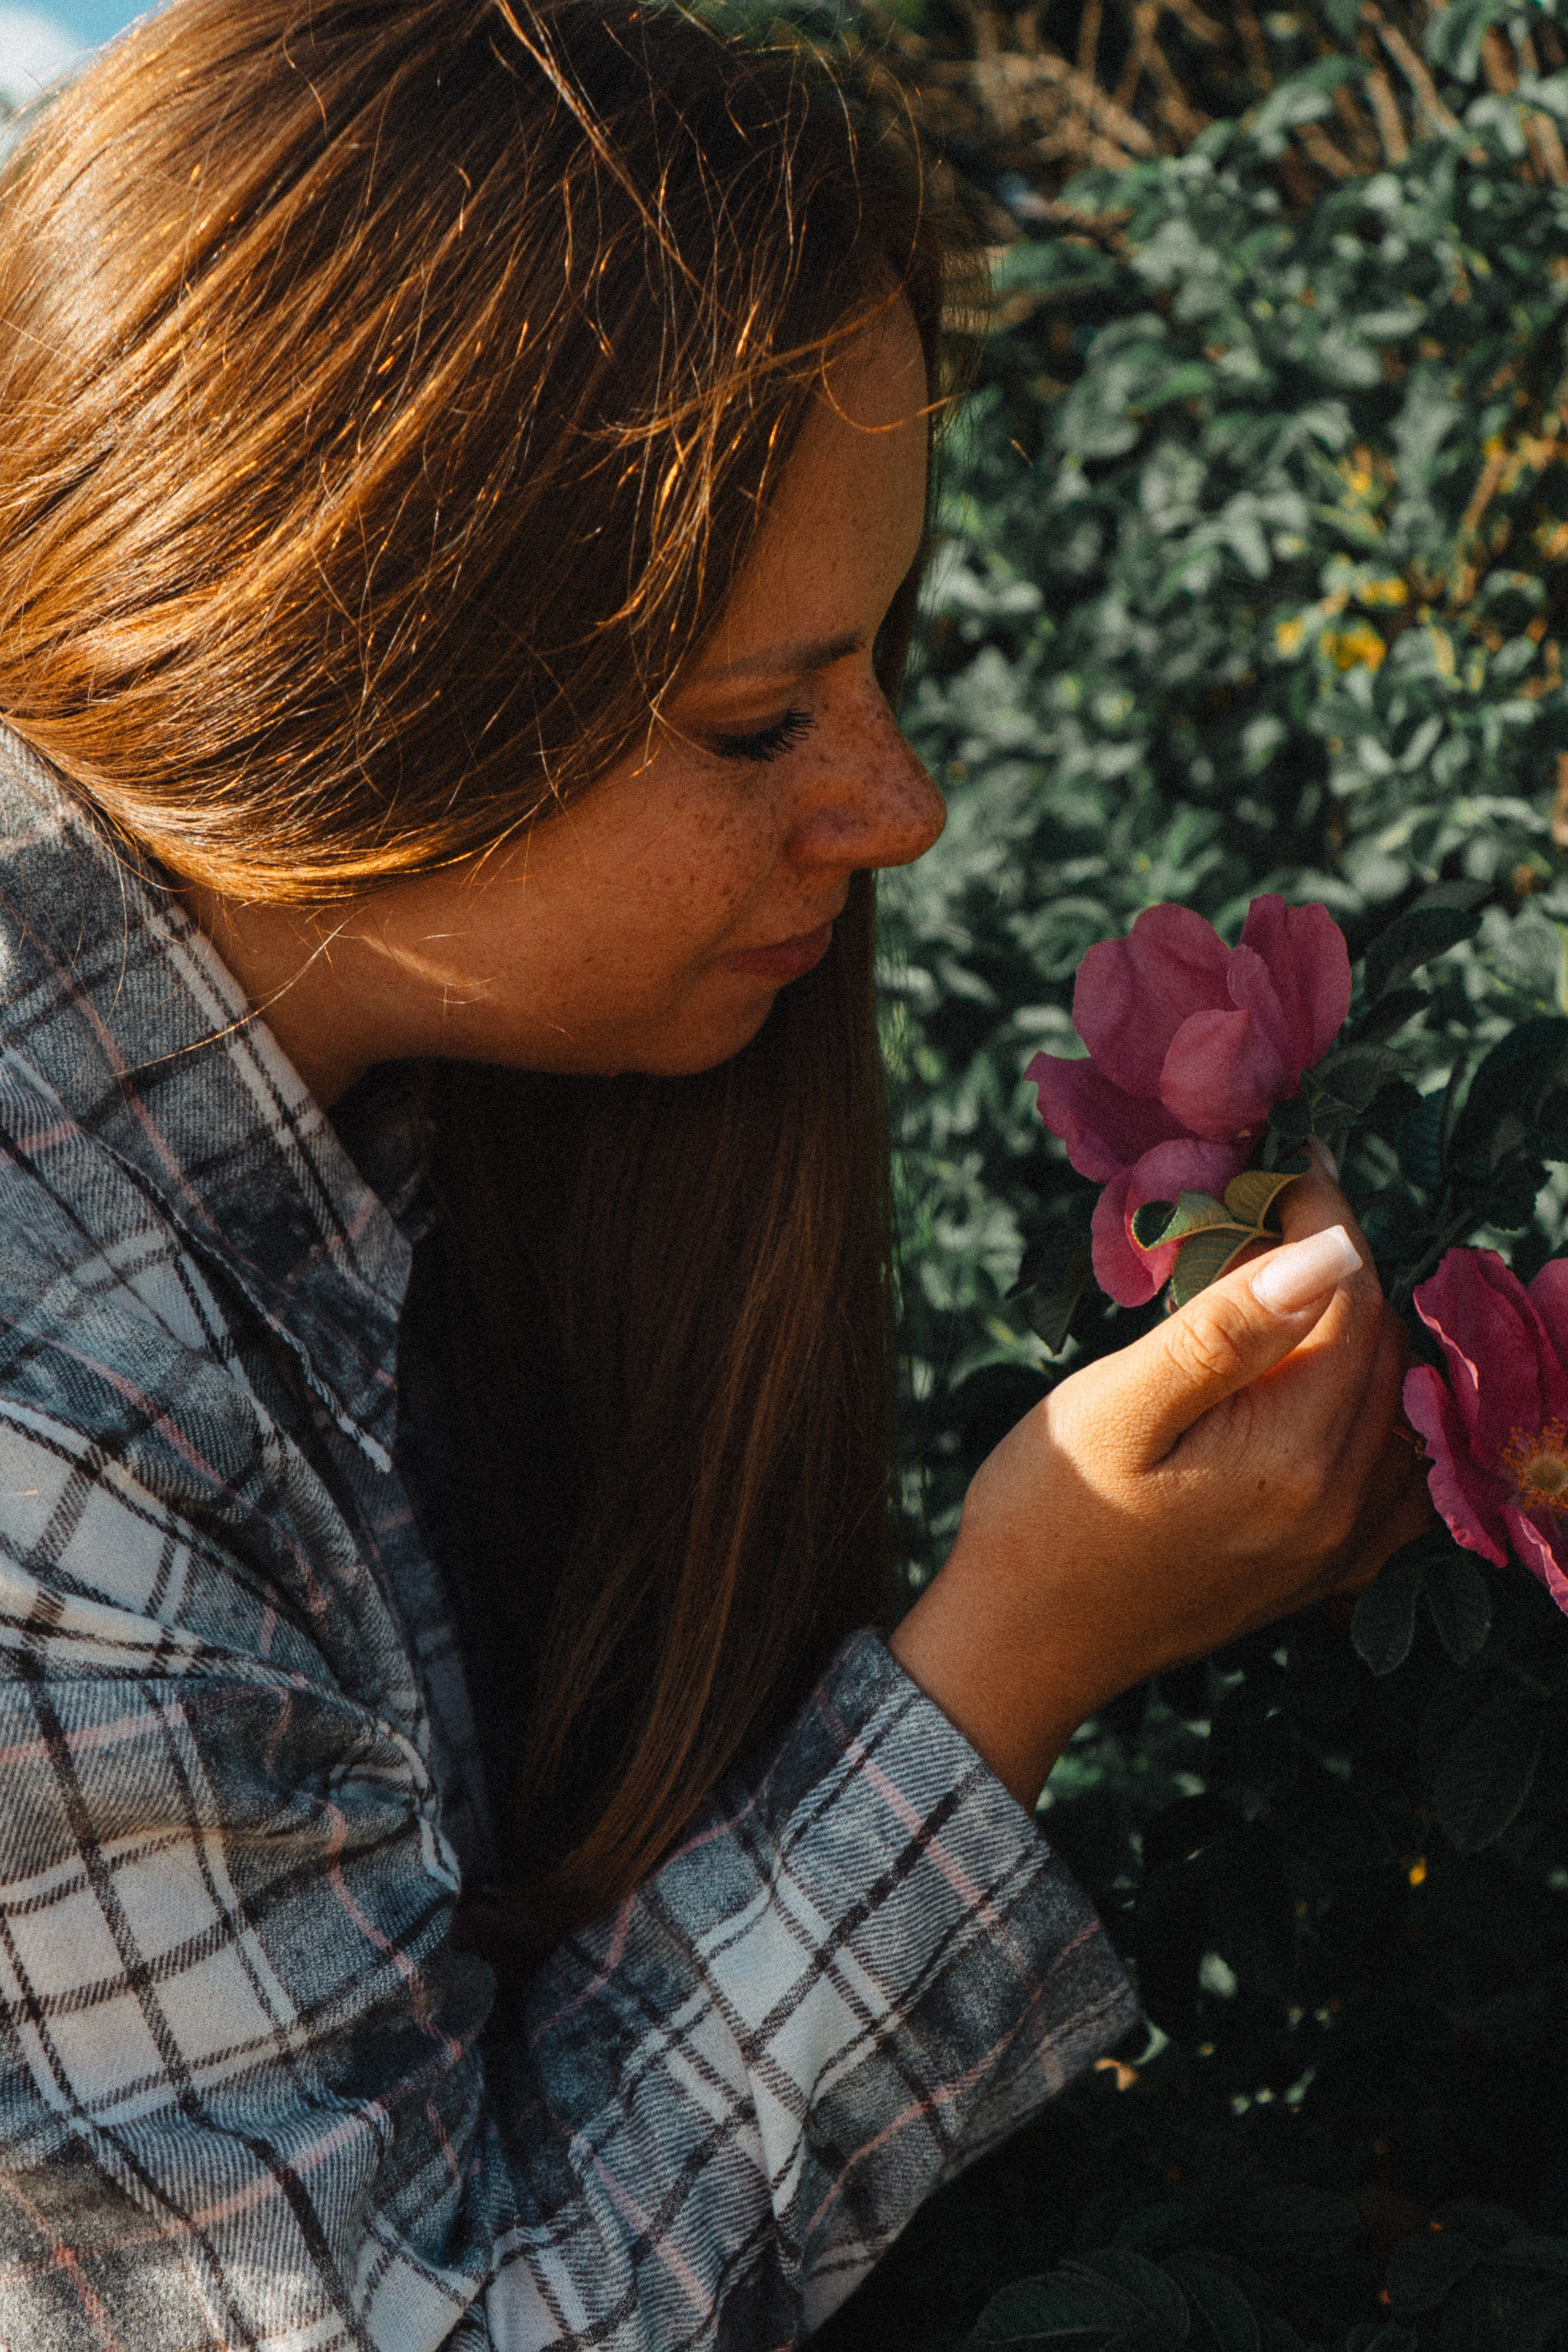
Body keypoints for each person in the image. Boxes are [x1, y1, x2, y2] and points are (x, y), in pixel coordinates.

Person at [0, 2, 1426, 2343]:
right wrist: (1018, 1654)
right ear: (328, 677)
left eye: (878, 661)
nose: (898, 808)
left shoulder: (394, 1106)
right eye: (760, 721)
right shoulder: (49, 1443)